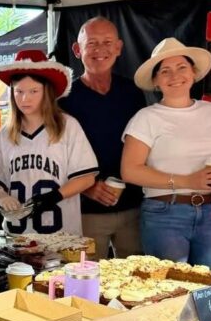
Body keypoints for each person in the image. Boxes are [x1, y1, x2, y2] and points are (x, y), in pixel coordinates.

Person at [121, 38, 211, 269]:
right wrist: (188, 181)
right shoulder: (146, 118)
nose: (175, 76)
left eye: (181, 67)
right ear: (156, 80)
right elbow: (130, 171)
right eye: (165, 71)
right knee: (171, 291)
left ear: (193, 73)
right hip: (165, 214)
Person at [0, 50, 98, 235]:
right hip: (16, 238)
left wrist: (55, 196)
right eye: (19, 91)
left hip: (62, 238)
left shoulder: (68, 127)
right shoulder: (5, 134)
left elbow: (86, 177)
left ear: (47, 92)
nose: (25, 98)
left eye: (34, 91)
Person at [60, 18, 147, 258]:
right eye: (92, 43)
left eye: (107, 42)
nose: (100, 50)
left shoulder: (132, 93)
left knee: (136, 279)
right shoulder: (64, 99)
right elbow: (56, 157)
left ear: (119, 47)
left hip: (133, 207)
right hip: (85, 211)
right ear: (77, 50)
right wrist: (87, 187)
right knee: (86, 278)